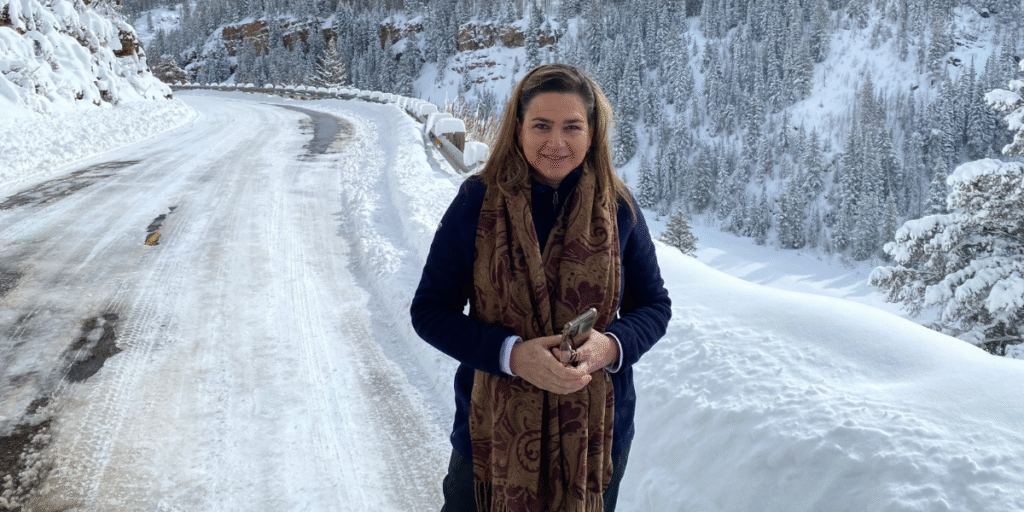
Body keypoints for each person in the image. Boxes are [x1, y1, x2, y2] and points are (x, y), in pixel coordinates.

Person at [411, 63, 671, 512]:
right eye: (541, 126)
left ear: (592, 133)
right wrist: (511, 355)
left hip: (595, 441)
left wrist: (608, 347)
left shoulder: (619, 209)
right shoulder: (477, 202)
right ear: (518, 128)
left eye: (572, 126)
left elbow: (653, 306)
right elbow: (430, 310)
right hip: (491, 437)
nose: (556, 143)